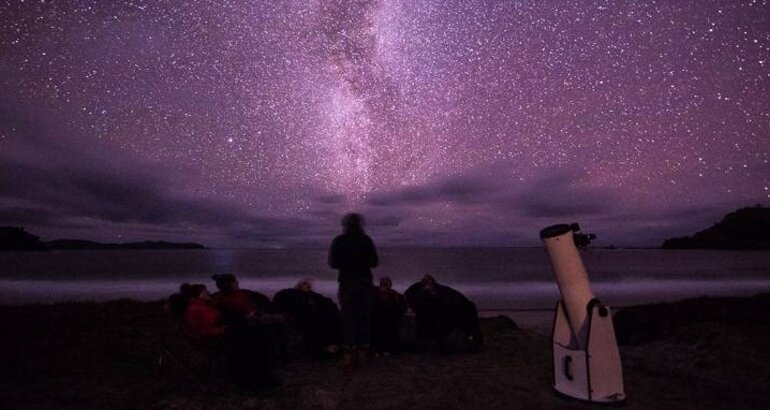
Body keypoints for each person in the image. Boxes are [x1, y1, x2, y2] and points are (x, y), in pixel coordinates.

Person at [177, 283, 280, 389]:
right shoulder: (196, 309)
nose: (208, 292)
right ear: (198, 294)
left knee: (255, 333)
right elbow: (204, 330)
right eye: (205, 291)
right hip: (215, 339)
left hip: (221, 333)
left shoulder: (203, 305)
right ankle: (255, 373)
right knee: (253, 338)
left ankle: (258, 369)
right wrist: (223, 329)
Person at [328, 213, 379, 365]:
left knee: (348, 318)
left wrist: (347, 262)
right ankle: (362, 352)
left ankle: (349, 353)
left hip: (347, 281)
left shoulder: (339, 241)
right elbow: (374, 262)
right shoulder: (366, 240)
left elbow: (333, 263)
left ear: (345, 225)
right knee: (363, 317)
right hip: (364, 281)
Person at [405, 274, 483, 353]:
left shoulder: (441, 291)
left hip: (455, 311)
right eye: (425, 281)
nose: (426, 283)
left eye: (428, 281)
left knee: (460, 327)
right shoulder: (418, 290)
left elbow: (450, 302)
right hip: (445, 312)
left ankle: (470, 343)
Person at [272, 279, 341, 357]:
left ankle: (329, 347)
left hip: (312, 318)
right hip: (310, 319)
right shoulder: (291, 297)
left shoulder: (317, 301)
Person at [371, 277, 407, 355]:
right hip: (377, 318)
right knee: (376, 334)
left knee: (389, 334)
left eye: (386, 283)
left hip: (390, 319)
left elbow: (402, 302)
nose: (384, 284)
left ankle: (388, 349)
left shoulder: (394, 294)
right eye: (382, 282)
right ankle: (377, 350)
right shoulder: (374, 292)